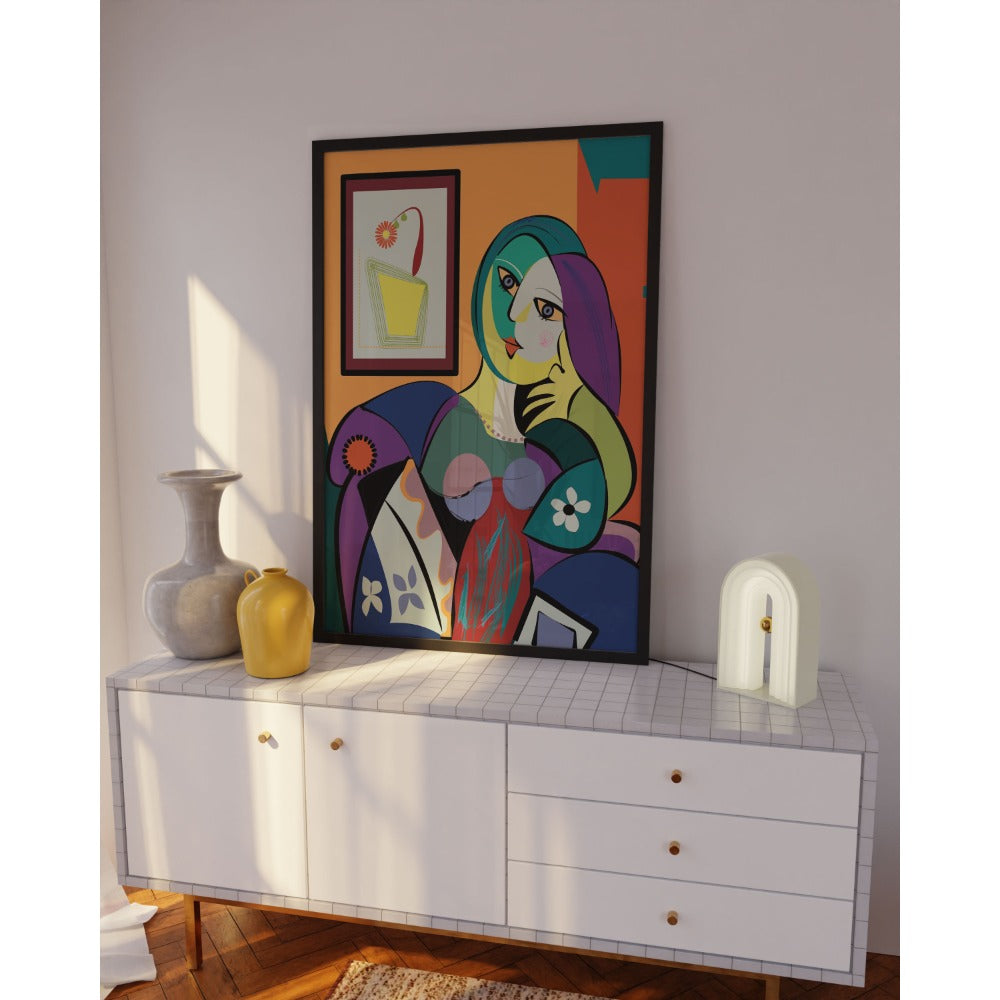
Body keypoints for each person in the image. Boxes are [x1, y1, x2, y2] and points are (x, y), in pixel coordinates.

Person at [328, 215, 640, 652]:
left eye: (546, 310)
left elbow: (605, 498)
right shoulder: (437, 414)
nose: (513, 317)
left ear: (573, 331)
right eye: (507, 283)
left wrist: (575, 399)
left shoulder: (564, 443)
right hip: (419, 639)